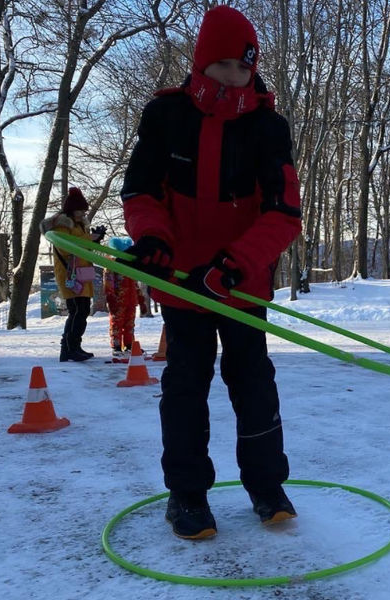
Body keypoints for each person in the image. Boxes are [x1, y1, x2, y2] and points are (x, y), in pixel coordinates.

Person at [119, 5, 302, 540]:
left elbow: (284, 213)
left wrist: (234, 266)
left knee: (254, 385)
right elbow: (142, 192)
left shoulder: (269, 127)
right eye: (222, 64)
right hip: (181, 285)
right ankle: (187, 496)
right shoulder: (165, 117)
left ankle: (267, 488)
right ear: (201, 62)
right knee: (184, 388)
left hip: (241, 286)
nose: (232, 76)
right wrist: (153, 240)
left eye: (242, 67)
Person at [40, 187, 105, 362]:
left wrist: (95, 239)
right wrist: (89, 239)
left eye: (84, 210)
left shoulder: (80, 224)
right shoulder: (62, 224)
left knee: (81, 311)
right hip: (70, 274)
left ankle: (74, 347)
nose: (83, 213)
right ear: (71, 210)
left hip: (82, 272)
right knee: (77, 310)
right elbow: (66, 247)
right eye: (80, 210)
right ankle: (68, 348)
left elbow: (85, 248)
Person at [103, 237, 146, 362]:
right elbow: (108, 283)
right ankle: (116, 346)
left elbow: (135, 283)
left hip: (131, 299)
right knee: (117, 323)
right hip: (118, 300)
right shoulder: (111, 264)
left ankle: (128, 344)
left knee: (129, 323)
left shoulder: (129, 266)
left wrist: (141, 298)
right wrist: (110, 298)